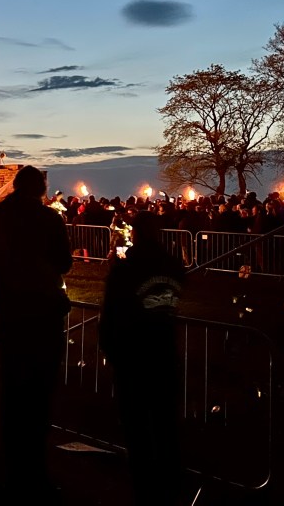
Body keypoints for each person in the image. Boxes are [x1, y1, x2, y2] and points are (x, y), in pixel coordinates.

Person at [0, 165, 72, 502]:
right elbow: (64, 262)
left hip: (10, 307)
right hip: (42, 310)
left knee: (12, 386)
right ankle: (34, 468)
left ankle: (11, 467)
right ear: (41, 188)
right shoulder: (49, 219)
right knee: (39, 391)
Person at [99, 210, 185, 506]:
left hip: (134, 349)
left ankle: (145, 483)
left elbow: (111, 309)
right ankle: (168, 478)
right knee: (163, 419)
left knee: (137, 422)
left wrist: (108, 343)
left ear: (136, 233)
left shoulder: (127, 270)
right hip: (162, 347)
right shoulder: (172, 264)